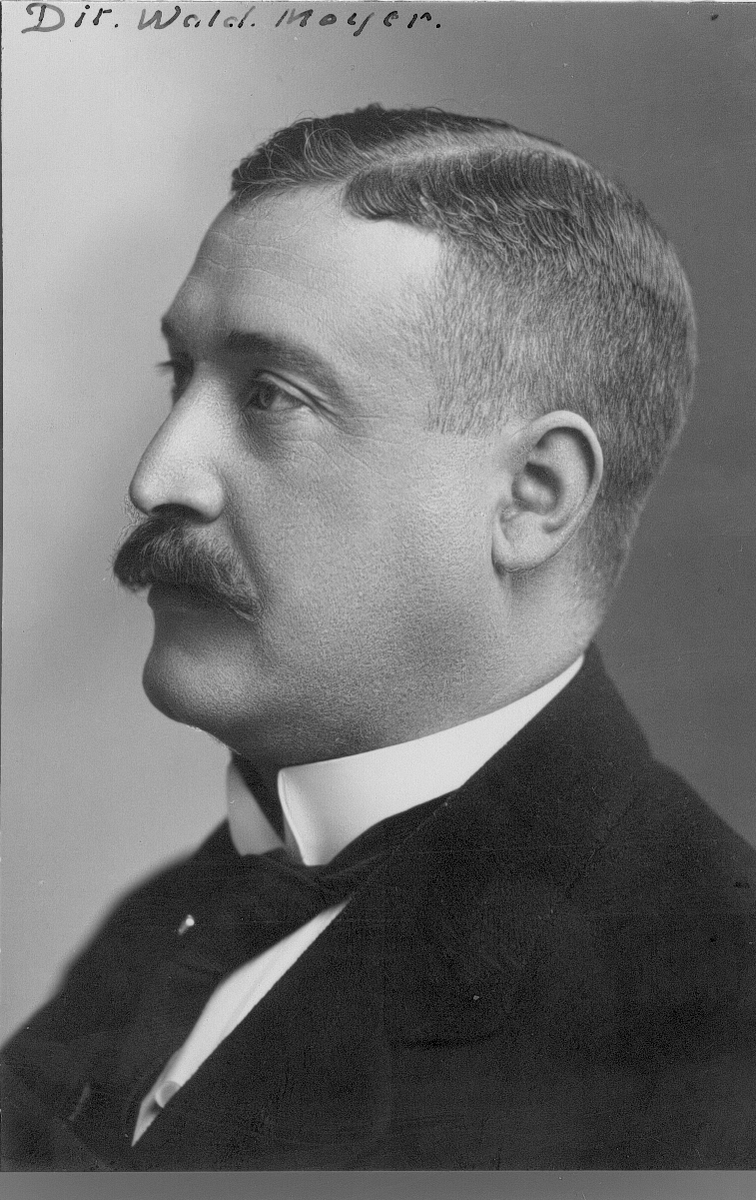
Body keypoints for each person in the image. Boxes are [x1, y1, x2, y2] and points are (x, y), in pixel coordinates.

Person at [2, 105, 754, 1171]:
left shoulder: (709, 1031)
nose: (158, 476)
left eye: (272, 396)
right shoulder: (176, 916)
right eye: (181, 377)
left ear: (533, 496)